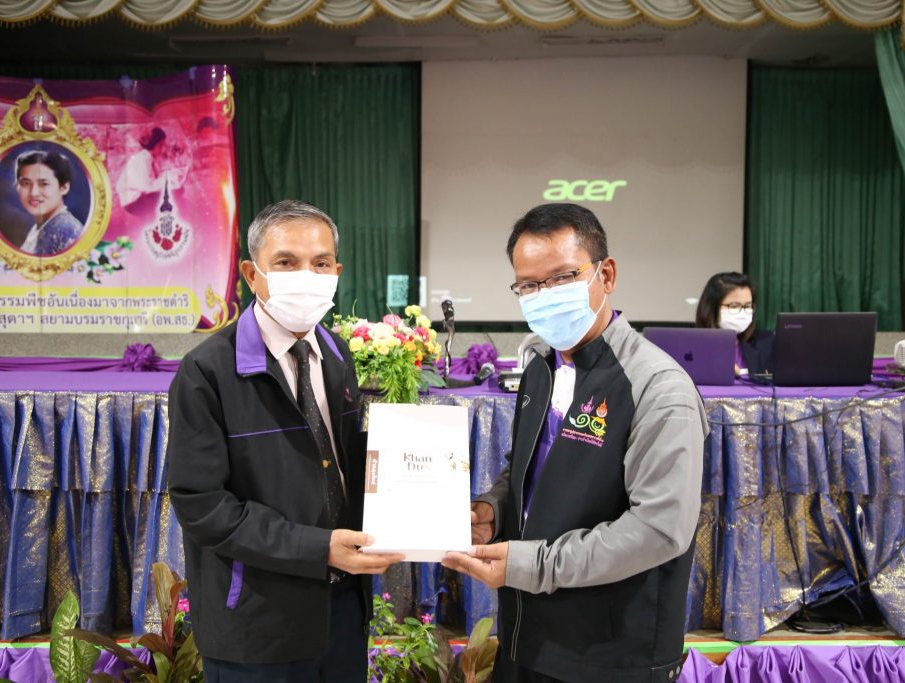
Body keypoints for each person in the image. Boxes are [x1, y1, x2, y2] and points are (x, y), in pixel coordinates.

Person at [443, 203, 708, 683]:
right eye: (529, 285)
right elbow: (531, 467)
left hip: (609, 653)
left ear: (606, 275)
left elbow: (659, 529)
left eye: (563, 277)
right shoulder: (540, 368)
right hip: (529, 636)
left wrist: (532, 565)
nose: (544, 296)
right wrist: (493, 510)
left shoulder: (658, 387)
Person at [167, 200, 403, 682]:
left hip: (341, 609)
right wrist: (316, 548)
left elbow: (339, 463)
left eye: (320, 263)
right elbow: (202, 505)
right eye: (286, 263)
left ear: (337, 273)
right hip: (257, 620)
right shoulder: (207, 372)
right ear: (252, 275)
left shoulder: (336, 354)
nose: (306, 276)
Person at [694, 271, 774, 376]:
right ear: (712, 308)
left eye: (747, 306)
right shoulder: (693, 346)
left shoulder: (765, 342)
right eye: (734, 306)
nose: (742, 313)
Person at [14, 150, 84, 255]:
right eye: (26, 183)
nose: (34, 193)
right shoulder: (39, 227)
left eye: (44, 184)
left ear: (64, 187)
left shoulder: (68, 229)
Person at [115, 126, 170, 210]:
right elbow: (146, 186)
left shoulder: (149, 159)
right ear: (155, 144)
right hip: (133, 201)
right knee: (171, 194)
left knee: (175, 191)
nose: (163, 149)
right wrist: (165, 182)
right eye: (161, 145)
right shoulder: (141, 160)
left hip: (140, 196)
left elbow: (153, 180)